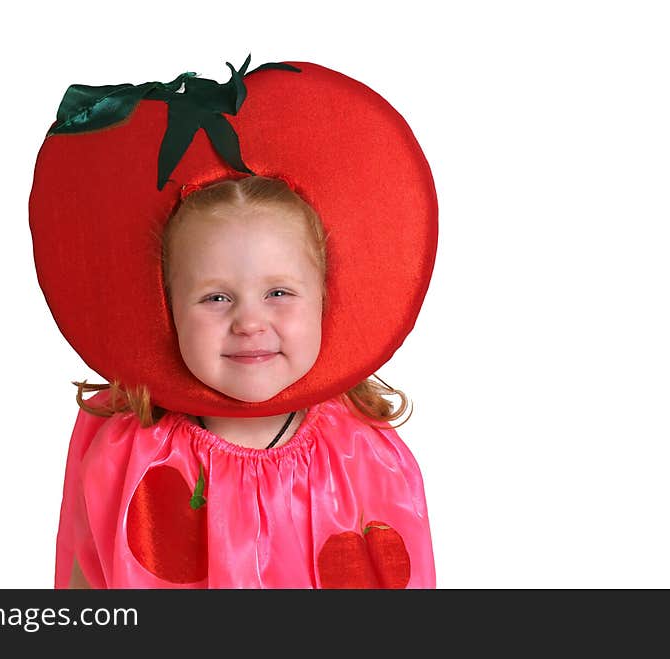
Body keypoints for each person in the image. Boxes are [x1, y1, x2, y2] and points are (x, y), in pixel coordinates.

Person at [29, 56, 438, 588]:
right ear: (166, 308)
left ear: (324, 300)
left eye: (278, 293)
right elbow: (90, 579)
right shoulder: (131, 450)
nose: (250, 322)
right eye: (216, 297)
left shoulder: (363, 455)